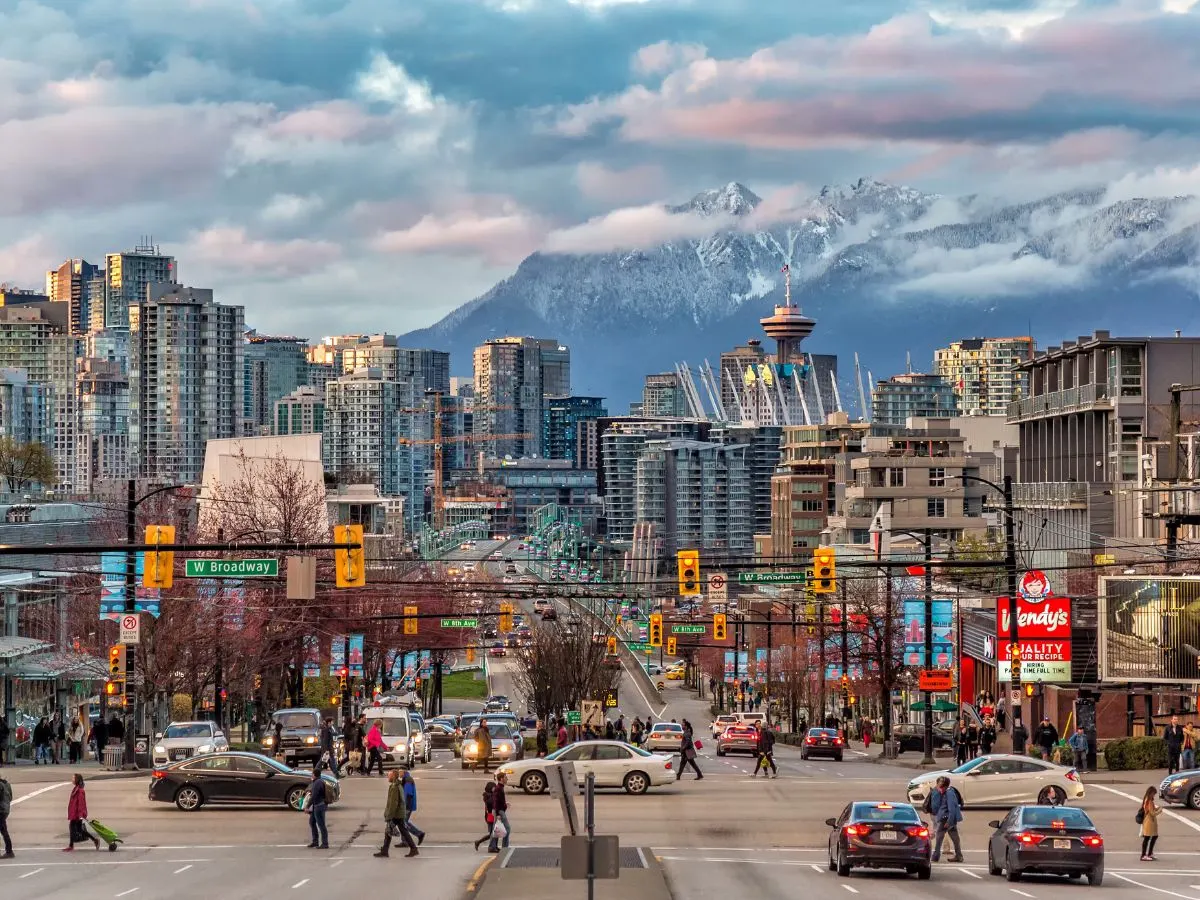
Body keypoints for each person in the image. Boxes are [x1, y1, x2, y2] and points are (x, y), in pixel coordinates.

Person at [374, 769, 418, 858]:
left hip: (396, 814)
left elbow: (393, 803)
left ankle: (385, 851)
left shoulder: (395, 787)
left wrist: (389, 815)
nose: (388, 777)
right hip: (398, 813)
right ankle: (413, 849)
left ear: (393, 776)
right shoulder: (397, 785)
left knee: (390, 831)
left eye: (389, 775)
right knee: (397, 831)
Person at [929, 775, 964, 863]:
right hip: (947, 818)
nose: (940, 789)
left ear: (945, 786)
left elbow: (952, 808)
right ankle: (958, 856)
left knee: (939, 837)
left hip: (946, 818)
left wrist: (949, 821)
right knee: (954, 838)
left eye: (941, 787)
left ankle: (935, 856)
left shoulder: (949, 793)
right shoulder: (947, 792)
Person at [64, 773, 99, 852]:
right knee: (79, 830)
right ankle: (95, 840)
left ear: (77, 780)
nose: (72, 780)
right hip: (75, 813)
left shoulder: (80, 790)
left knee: (72, 828)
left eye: (73, 778)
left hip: (77, 814)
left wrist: (81, 815)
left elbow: (81, 803)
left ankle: (71, 845)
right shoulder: (76, 788)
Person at [305, 768, 329, 850]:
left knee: (321, 825)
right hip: (317, 806)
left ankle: (325, 843)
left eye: (312, 774)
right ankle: (315, 841)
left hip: (319, 806)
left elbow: (314, 796)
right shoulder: (317, 781)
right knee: (312, 822)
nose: (311, 775)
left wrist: (307, 806)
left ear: (314, 775)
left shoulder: (318, 782)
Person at [401, 767, 425, 845]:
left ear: (403, 772)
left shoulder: (408, 780)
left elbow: (407, 794)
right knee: (403, 823)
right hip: (408, 804)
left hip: (407, 805)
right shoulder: (406, 779)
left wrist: (403, 805)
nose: (399, 773)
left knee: (403, 823)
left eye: (400, 771)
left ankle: (419, 834)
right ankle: (404, 841)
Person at [486, 772, 510, 853]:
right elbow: (495, 802)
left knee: (495, 829)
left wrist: (505, 804)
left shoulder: (500, 787)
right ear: (501, 779)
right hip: (499, 811)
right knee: (507, 829)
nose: (507, 779)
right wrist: (498, 814)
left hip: (499, 810)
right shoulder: (498, 788)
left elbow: (498, 800)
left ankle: (492, 847)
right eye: (505, 777)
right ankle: (504, 848)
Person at [1139, 785, 1161, 861]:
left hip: (1149, 821)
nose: (1154, 795)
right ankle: (1144, 855)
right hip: (1149, 822)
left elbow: (1150, 810)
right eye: (1154, 794)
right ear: (1151, 793)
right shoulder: (1149, 801)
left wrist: (1156, 808)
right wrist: (1159, 811)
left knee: (1152, 837)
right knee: (1148, 837)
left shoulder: (1147, 800)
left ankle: (1148, 853)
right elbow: (1152, 813)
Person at [475, 780, 497, 851]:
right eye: (494, 787)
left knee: (493, 833)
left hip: (490, 815)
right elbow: (490, 803)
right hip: (489, 816)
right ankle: (481, 843)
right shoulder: (487, 796)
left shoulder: (489, 795)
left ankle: (492, 846)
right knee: (492, 833)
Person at [0, 767, 12, 857]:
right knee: (4, 830)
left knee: (3, 830)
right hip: (5, 809)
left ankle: (9, 851)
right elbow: (10, 797)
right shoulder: (6, 784)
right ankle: (9, 851)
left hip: (1, 810)